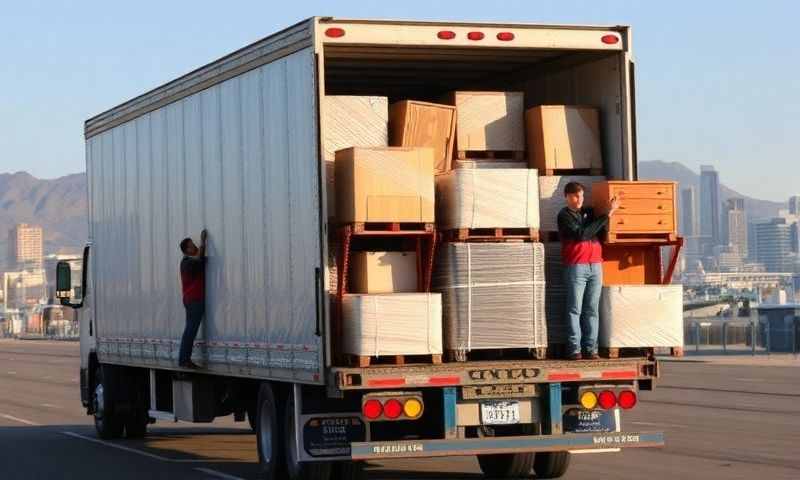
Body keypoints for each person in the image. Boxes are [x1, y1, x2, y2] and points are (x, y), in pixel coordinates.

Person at [557, 183, 620, 360]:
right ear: (567, 197)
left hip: (596, 266)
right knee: (575, 309)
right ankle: (574, 349)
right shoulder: (564, 216)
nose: (579, 200)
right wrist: (608, 214)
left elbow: (598, 231)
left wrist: (607, 211)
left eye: (582, 196)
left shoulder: (589, 213)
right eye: (576, 196)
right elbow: (582, 235)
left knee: (592, 309)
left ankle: (591, 349)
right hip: (576, 266)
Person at [178, 229, 208, 369]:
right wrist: (203, 242)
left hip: (191, 300)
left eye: (194, 244)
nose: (194, 246)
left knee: (190, 329)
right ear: (185, 250)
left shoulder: (189, 262)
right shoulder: (187, 263)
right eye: (191, 246)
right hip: (194, 300)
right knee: (190, 330)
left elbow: (200, 260)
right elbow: (199, 259)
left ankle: (184, 359)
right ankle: (184, 360)